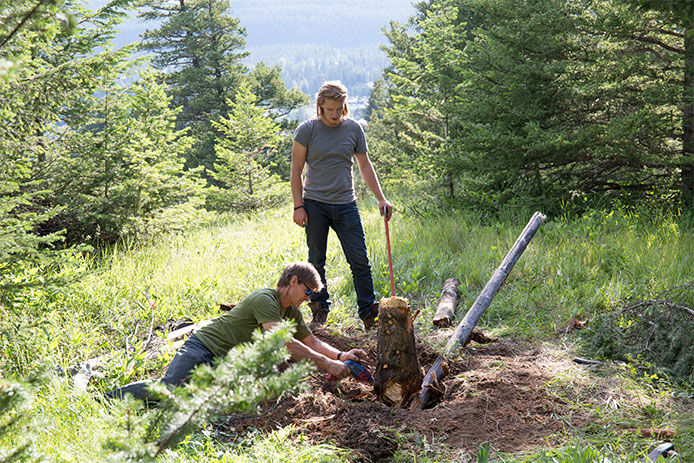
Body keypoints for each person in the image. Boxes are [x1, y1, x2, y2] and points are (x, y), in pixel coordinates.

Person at [107, 262, 368, 402]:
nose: (309, 299)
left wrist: (342, 355)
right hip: (203, 348)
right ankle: (106, 399)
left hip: (222, 363)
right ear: (292, 282)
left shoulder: (292, 313)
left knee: (190, 403)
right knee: (169, 390)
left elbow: (311, 341)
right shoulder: (266, 299)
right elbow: (283, 341)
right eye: (308, 292)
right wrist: (327, 364)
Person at [290, 81, 393, 330]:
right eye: (330, 109)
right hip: (315, 204)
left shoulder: (353, 129)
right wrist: (298, 206)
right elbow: (296, 171)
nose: (335, 114)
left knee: (360, 261)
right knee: (316, 261)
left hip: (346, 204)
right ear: (320, 106)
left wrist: (381, 198)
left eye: (339, 108)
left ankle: (369, 314)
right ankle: (319, 310)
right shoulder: (307, 131)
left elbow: (365, 166)